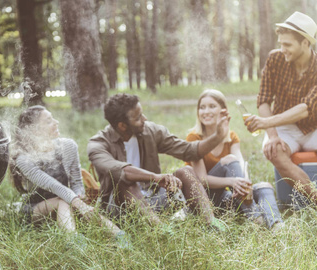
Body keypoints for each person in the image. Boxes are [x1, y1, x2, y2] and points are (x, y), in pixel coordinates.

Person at [87, 93, 229, 231]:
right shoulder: (98, 144)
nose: (144, 118)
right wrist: (155, 177)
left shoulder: (150, 131)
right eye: (138, 118)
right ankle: (161, 232)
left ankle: (211, 224)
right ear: (122, 125)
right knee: (125, 184)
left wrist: (217, 136)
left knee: (187, 172)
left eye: (142, 114)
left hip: (153, 198)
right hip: (120, 210)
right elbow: (121, 171)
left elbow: (189, 151)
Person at [10, 105, 131, 249]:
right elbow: (53, 186)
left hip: (67, 202)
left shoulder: (68, 146)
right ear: (34, 131)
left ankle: (120, 236)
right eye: (48, 121)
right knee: (63, 201)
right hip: (36, 208)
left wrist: (79, 195)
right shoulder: (24, 159)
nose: (56, 122)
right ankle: (75, 243)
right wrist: (78, 203)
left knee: (68, 202)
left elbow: (76, 181)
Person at [245, 11, 317, 204]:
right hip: (283, 127)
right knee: (273, 150)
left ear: (305, 43)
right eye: (280, 44)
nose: (282, 49)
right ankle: (315, 197)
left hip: (313, 127)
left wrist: (265, 122)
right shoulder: (275, 59)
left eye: (288, 44)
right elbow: (263, 100)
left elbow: (307, 108)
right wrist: (273, 135)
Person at [186, 89, 283, 229]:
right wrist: (233, 181)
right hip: (205, 199)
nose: (206, 111)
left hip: (226, 196)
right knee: (229, 160)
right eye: (202, 107)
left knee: (264, 187)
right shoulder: (194, 138)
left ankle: (276, 226)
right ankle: (255, 217)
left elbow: (241, 167)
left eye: (212, 106)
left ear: (223, 111)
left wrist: (246, 185)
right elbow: (202, 179)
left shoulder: (231, 137)